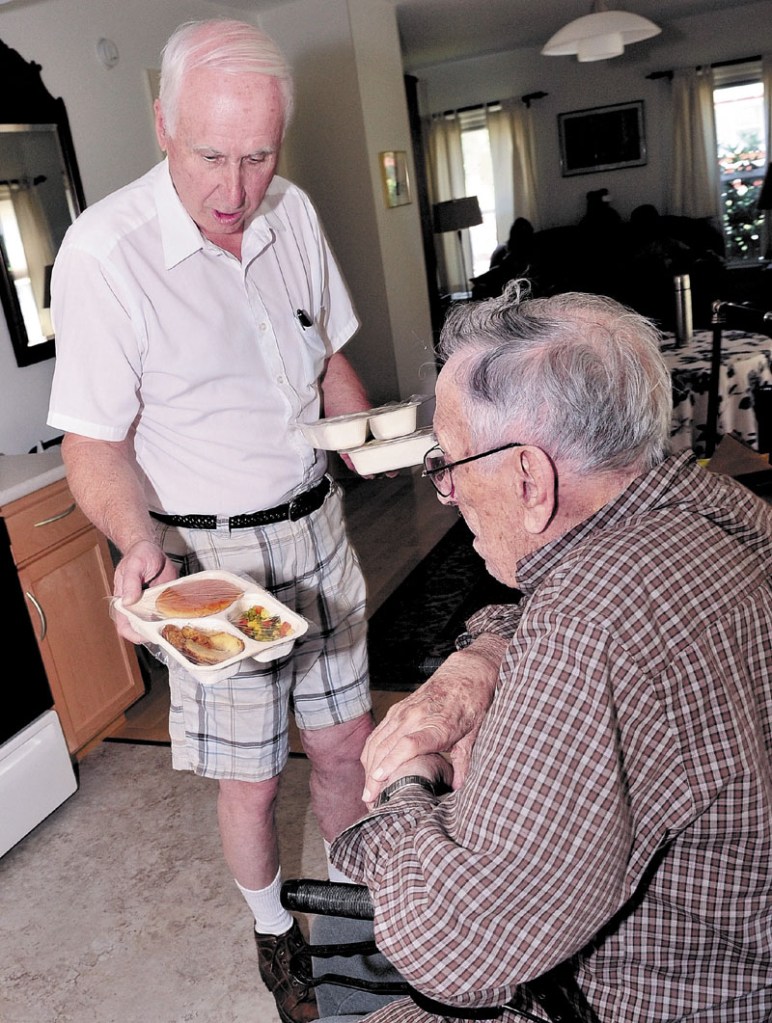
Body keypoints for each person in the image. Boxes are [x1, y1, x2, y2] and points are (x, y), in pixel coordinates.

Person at [47, 19, 377, 1023]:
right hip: (213, 558)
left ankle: (361, 922)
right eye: (209, 155)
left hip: (319, 523)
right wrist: (138, 545)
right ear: (161, 124)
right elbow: (95, 446)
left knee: (345, 749)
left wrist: (380, 441)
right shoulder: (105, 255)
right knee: (247, 779)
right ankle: (276, 935)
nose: (235, 188)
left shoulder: (296, 214)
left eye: (258, 154)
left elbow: (327, 366)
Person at [326, 282, 772, 1022]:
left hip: (642, 995)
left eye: (451, 462)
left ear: (529, 477)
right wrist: (487, 653)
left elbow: (450, 949)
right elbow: (554, 605)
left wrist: (407, 783)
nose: (447, 491)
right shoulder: (722, 507)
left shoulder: (593, 624)